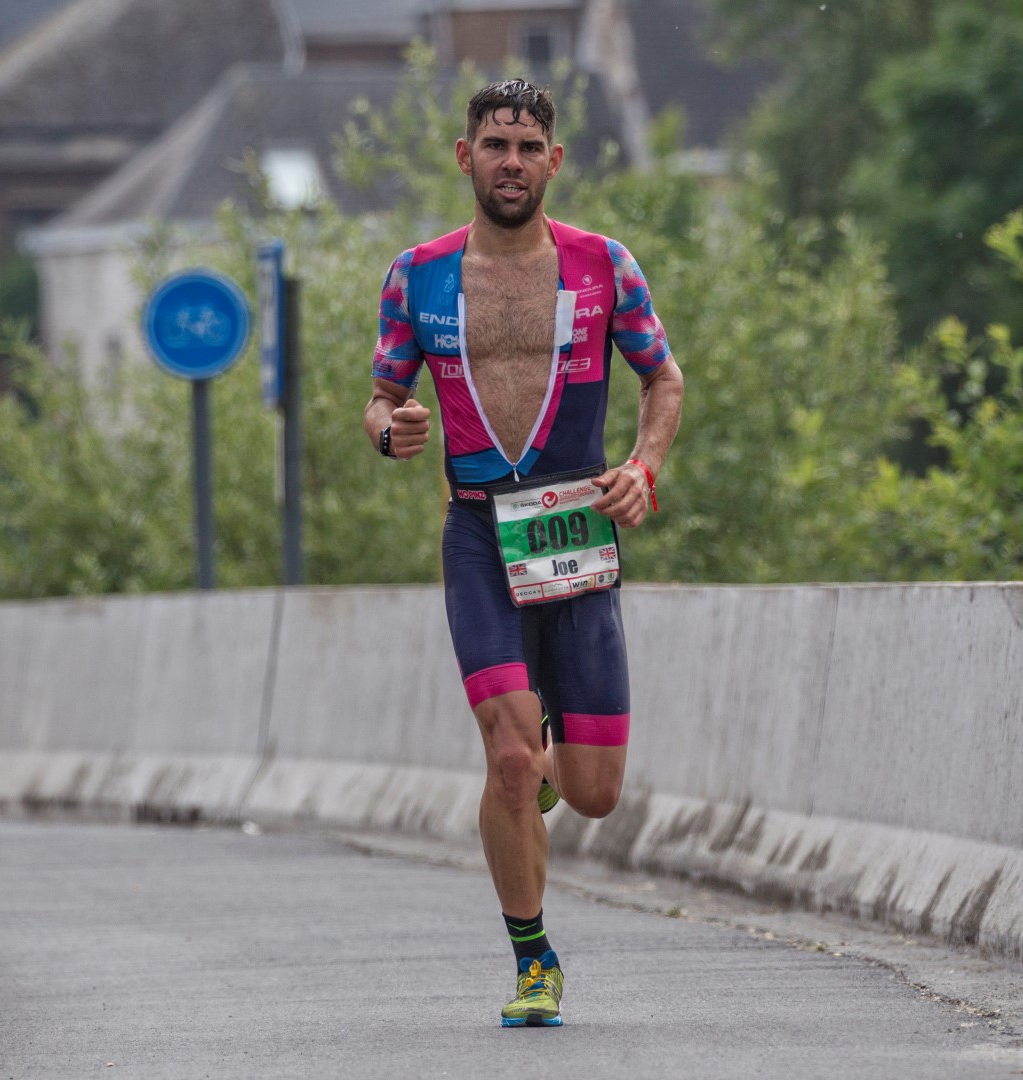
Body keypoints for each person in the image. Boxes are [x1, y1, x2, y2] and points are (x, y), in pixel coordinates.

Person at [363, 79, 683, 1028]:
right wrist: (389, 429)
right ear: (466, 157)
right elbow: (382, 395)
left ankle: (544, 752)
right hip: (478, 533)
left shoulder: (603, 264)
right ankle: (534, 956)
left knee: (592, 793)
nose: (511, 162)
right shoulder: (416, 274)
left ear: (554, 161)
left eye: (528, 147)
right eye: (495, 146)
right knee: (509, 758)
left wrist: (644, 468)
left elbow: (662, 379)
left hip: (577, 528)